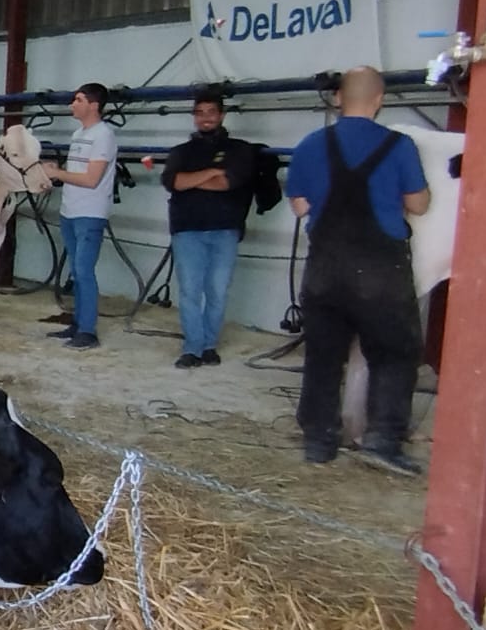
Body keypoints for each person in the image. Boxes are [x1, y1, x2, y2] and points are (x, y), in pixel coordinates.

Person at [286, 66, 430, 474]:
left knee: (323, 355)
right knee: (395, 352)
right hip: (380, 269)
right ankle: (383, 440)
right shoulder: (399, 146)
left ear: (337, 99)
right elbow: (418, 205)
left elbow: (300, 206)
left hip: (325, 268)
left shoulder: (311, 144)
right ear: (379, 100)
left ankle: (319, 440)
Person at [161, 91, 258, 368]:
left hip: (225, 229)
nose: (206, 117)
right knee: (190, 290)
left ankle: (209, 346)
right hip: (187, 229)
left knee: (217, 290)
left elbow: (228, 183)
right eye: (200, 112)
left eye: (211, 112)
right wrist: (212, 172)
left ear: (221, 115)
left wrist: (192, 179)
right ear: (194, 116)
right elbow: (174, 182)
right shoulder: (180, 152)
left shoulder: (240, 150)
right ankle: (192, 347)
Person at [41, 82, 118, 350]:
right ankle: (77, 323)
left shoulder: (103, 136)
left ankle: (88, 331)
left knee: (84, 271)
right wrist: (57, 169)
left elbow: (92, 179)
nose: (73, 104)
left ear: (94, 105)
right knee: (76, 270)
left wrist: (57, 174)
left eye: (78, 100)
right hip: (70, 210)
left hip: (90, 212)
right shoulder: (78, 134)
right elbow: (77, 173)